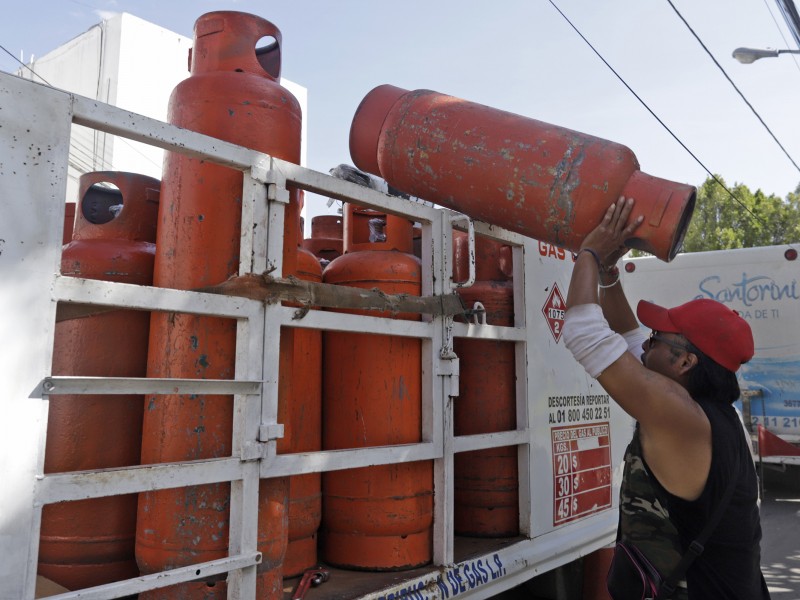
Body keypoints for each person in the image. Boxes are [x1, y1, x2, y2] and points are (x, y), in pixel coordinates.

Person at [562, 197, 770, 599]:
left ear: (686, 361)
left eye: (659, 337)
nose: (648, 341)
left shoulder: (682, 417)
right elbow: (630, 339)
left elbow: (583, 333)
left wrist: (588, 251)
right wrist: (607, 271)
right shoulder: (706, 409)